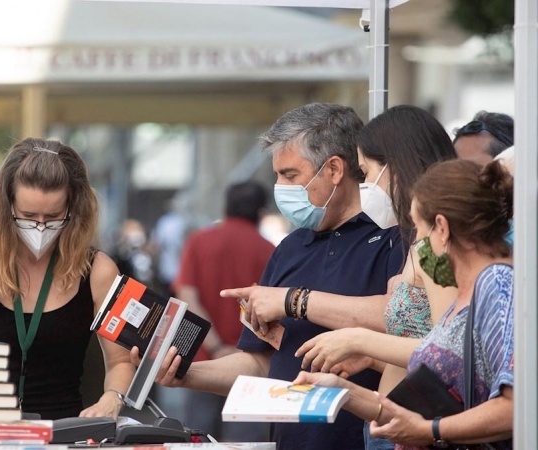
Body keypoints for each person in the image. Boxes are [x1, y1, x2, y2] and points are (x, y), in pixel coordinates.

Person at [142, 103, 405, 450]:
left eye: (291, 175)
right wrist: (186, 374)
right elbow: (261, 363)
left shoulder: (393, 238)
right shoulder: (289, 248)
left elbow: (399, 317)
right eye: (277, 175)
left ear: (335, 169)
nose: (281, 187)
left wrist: (292, 301)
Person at [294, 159, 514, 449]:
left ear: (442, 228)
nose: (419, 243)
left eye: (420, 231)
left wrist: (430, 430)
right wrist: (344, 391)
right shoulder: (465, 296)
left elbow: (516, 407)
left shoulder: (497, 283)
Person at [283, 105, 457, 450]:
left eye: (366, 173)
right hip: (393, 422)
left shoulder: (437, 243)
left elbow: (448, 351)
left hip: (417, 429)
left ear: (397, 167)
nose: (364, 187)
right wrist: (374, 358)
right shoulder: (421, 240)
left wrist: (359, 340)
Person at [0, 138, 133, 420]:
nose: (40, 227)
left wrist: (113, 398)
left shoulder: (99, 270)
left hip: (65, 434)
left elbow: (121, 361)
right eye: (27, 216)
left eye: (53, 216)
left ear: (73, 209)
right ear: (7, 206)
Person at [173, 180, 275, 441]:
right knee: (244, 443)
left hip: (202, 361)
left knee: (197, 440)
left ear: (226, 206)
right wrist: (237, 350)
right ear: (261, 212)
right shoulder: (270, 251)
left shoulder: (198, 242)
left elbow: (188, 298)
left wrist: (216, 347)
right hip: (251, 365)